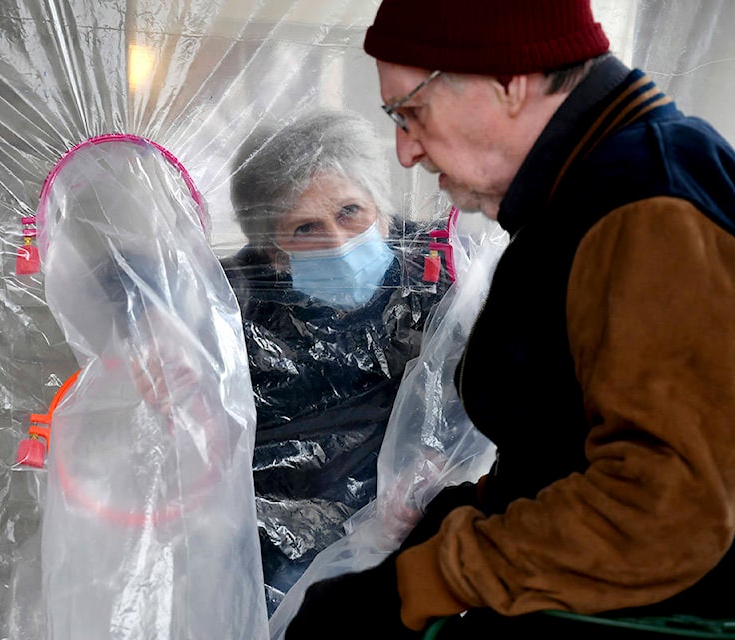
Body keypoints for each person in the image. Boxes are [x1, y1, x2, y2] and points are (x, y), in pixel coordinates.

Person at [286, 1, 735, 638]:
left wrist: (422, 583)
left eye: (411, 111)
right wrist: (471, 509)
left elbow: (666, 506)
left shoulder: (648, 205)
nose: (404, 151)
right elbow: (569, 434)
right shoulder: (585, 195)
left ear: (509, 80)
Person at [221, 109, 454, 614]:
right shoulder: (234, 300)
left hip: (413, 532)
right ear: (271, 253)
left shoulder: (439, 276)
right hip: (274, 547)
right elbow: (122, 285)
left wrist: (433, 463)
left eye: (350, 211)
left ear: (381, 208)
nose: (338, 241)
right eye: (305, 227)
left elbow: (477, 392)